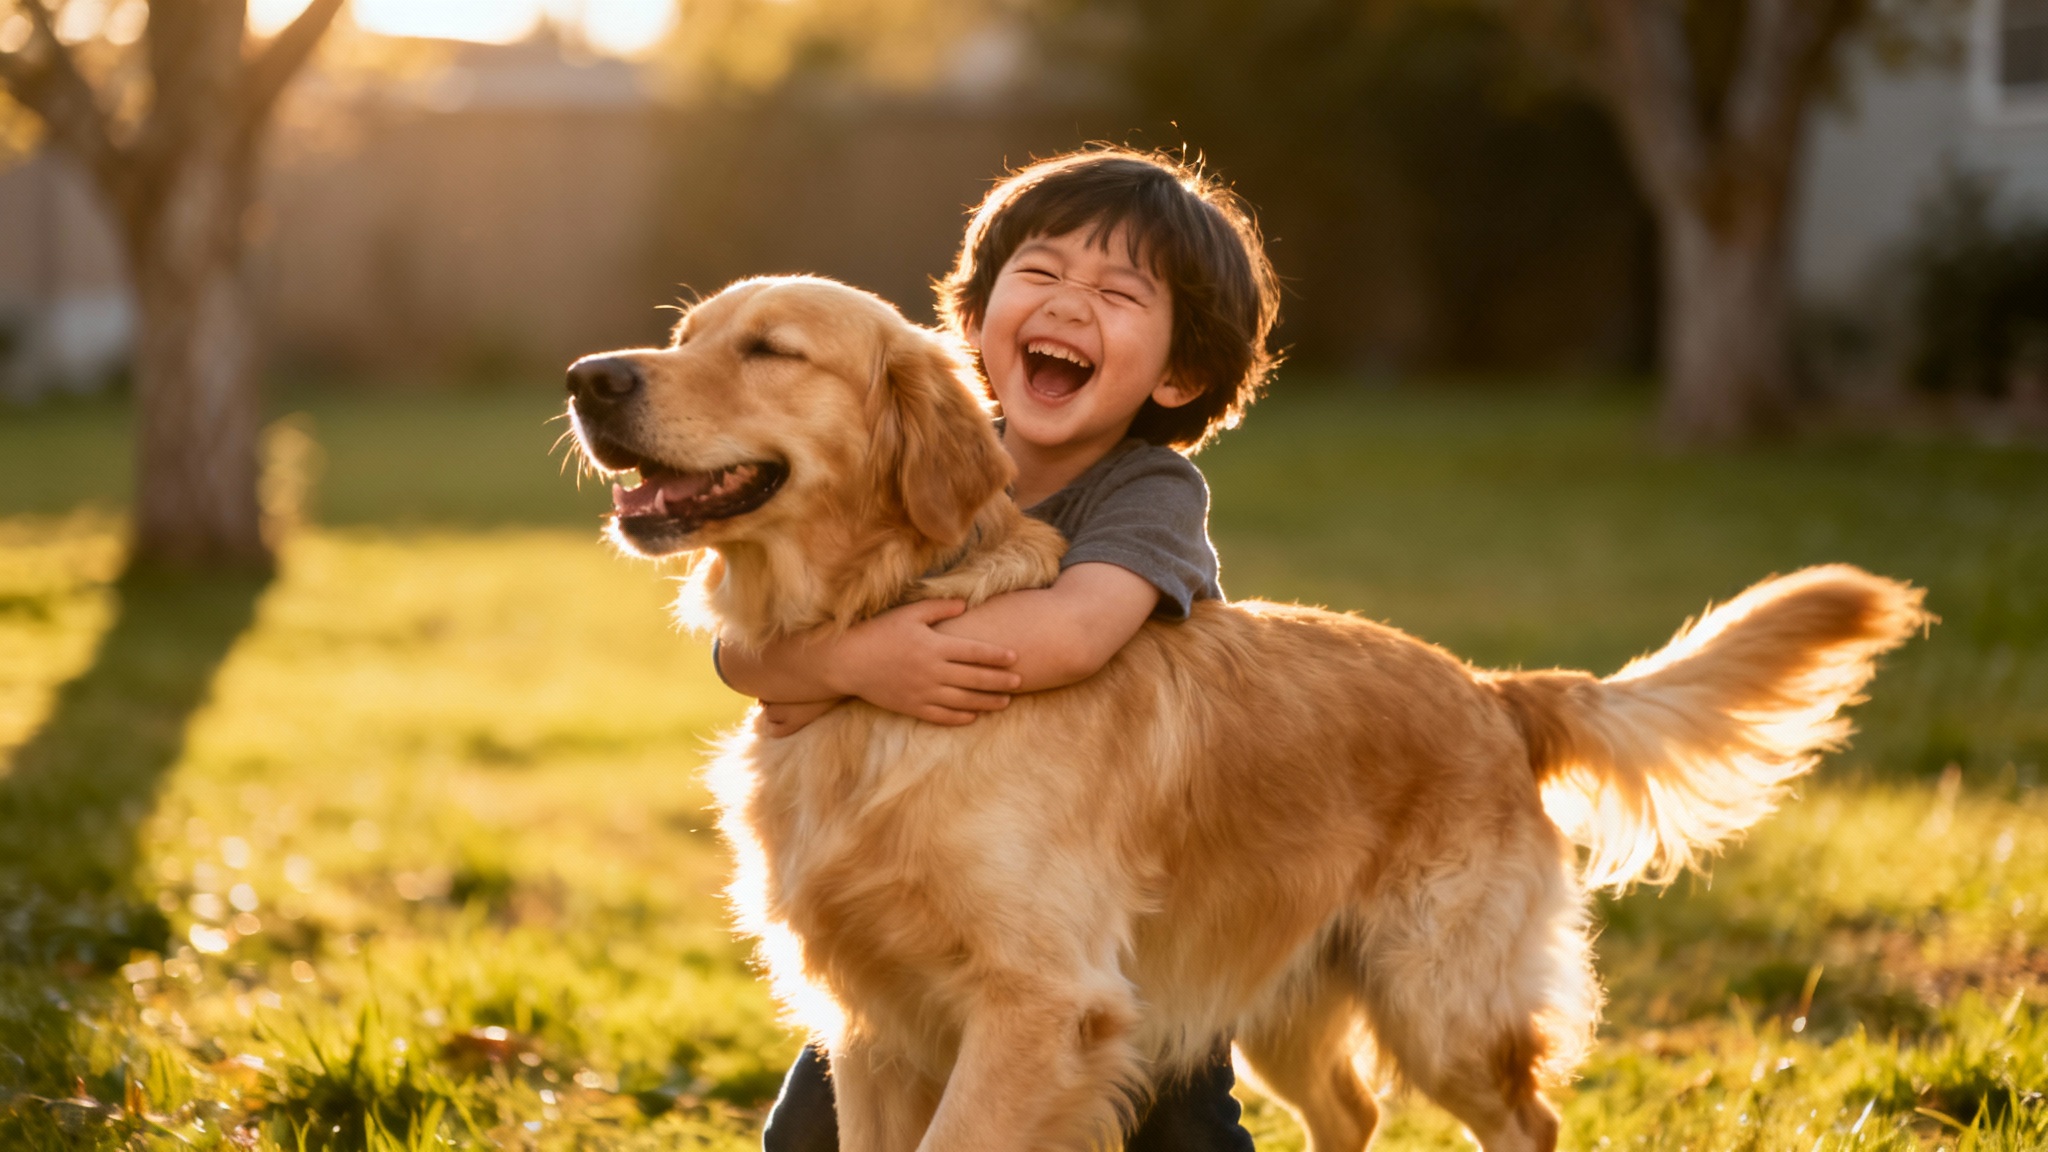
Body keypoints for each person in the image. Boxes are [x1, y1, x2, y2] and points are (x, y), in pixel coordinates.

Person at [714, 147, 1281, 1151]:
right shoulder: (915, 460)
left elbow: (1073, 632)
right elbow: (750, 653)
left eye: (1117, 293)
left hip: (1129, 912)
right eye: (1041, 271)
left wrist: (877, 659)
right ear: (974, 319)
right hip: (931, 908)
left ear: (1179, 374)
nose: (1068, 303)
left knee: (1180, 1130)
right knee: (803, 1141)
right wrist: (846, 663)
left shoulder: (1147, 492)